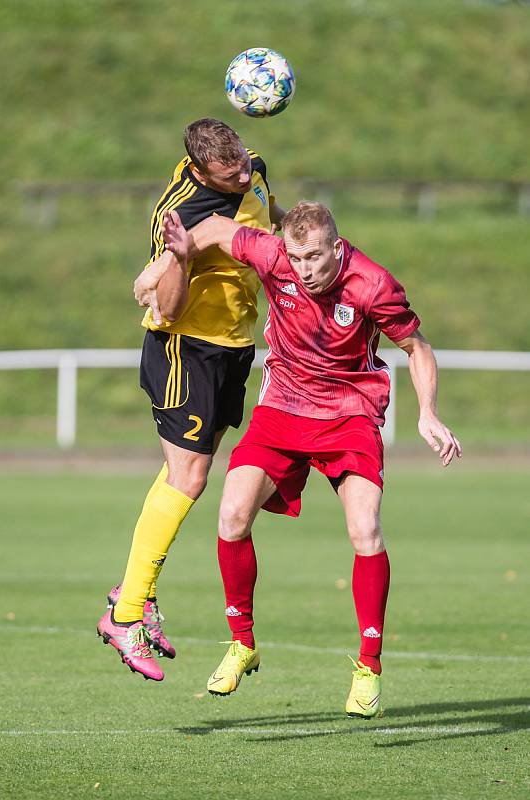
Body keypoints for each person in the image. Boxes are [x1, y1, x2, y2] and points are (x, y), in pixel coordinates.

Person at [159, 201, 462, 715]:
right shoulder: (273, 255)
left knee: (365, 530)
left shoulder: (372, 284)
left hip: (350, 413)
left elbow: (418, 347)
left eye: (315, 257)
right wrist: (186, 250)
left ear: (336, 249)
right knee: (231, 515)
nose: (304, 269)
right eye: (297, 258)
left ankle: (369, 667)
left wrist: (428, 412)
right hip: (282, 409)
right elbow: (215, 226)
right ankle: (243, 643)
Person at [97, 118, 285, 681]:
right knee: (191, 478)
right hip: (187, 347)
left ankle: (134, 589)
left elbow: (264, 217)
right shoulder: (178, 213)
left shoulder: (251, 168)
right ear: (202, 170)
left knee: (182, 473)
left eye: (244, 170)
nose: (241, 179)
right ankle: (126, 614)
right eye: (228, 177)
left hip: (234, 345)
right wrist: (177, 258)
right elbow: (169, 307)